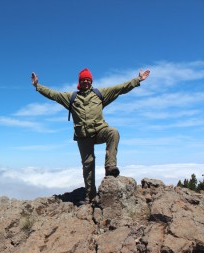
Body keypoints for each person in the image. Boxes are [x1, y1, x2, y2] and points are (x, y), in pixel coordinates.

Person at [31, 68, 150, 202]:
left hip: (100, 132)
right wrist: (37, 86)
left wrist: (137, 80)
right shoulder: (72, 97)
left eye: (88, 80)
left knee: (113, 132)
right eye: (83, 80)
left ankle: (110, 167)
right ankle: (90, 196)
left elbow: (120, 88)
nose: (86, 82)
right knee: (88, 165)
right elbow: (54, 94)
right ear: (79, 82)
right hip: (83, 137)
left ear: (91, 81)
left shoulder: (99, 94)